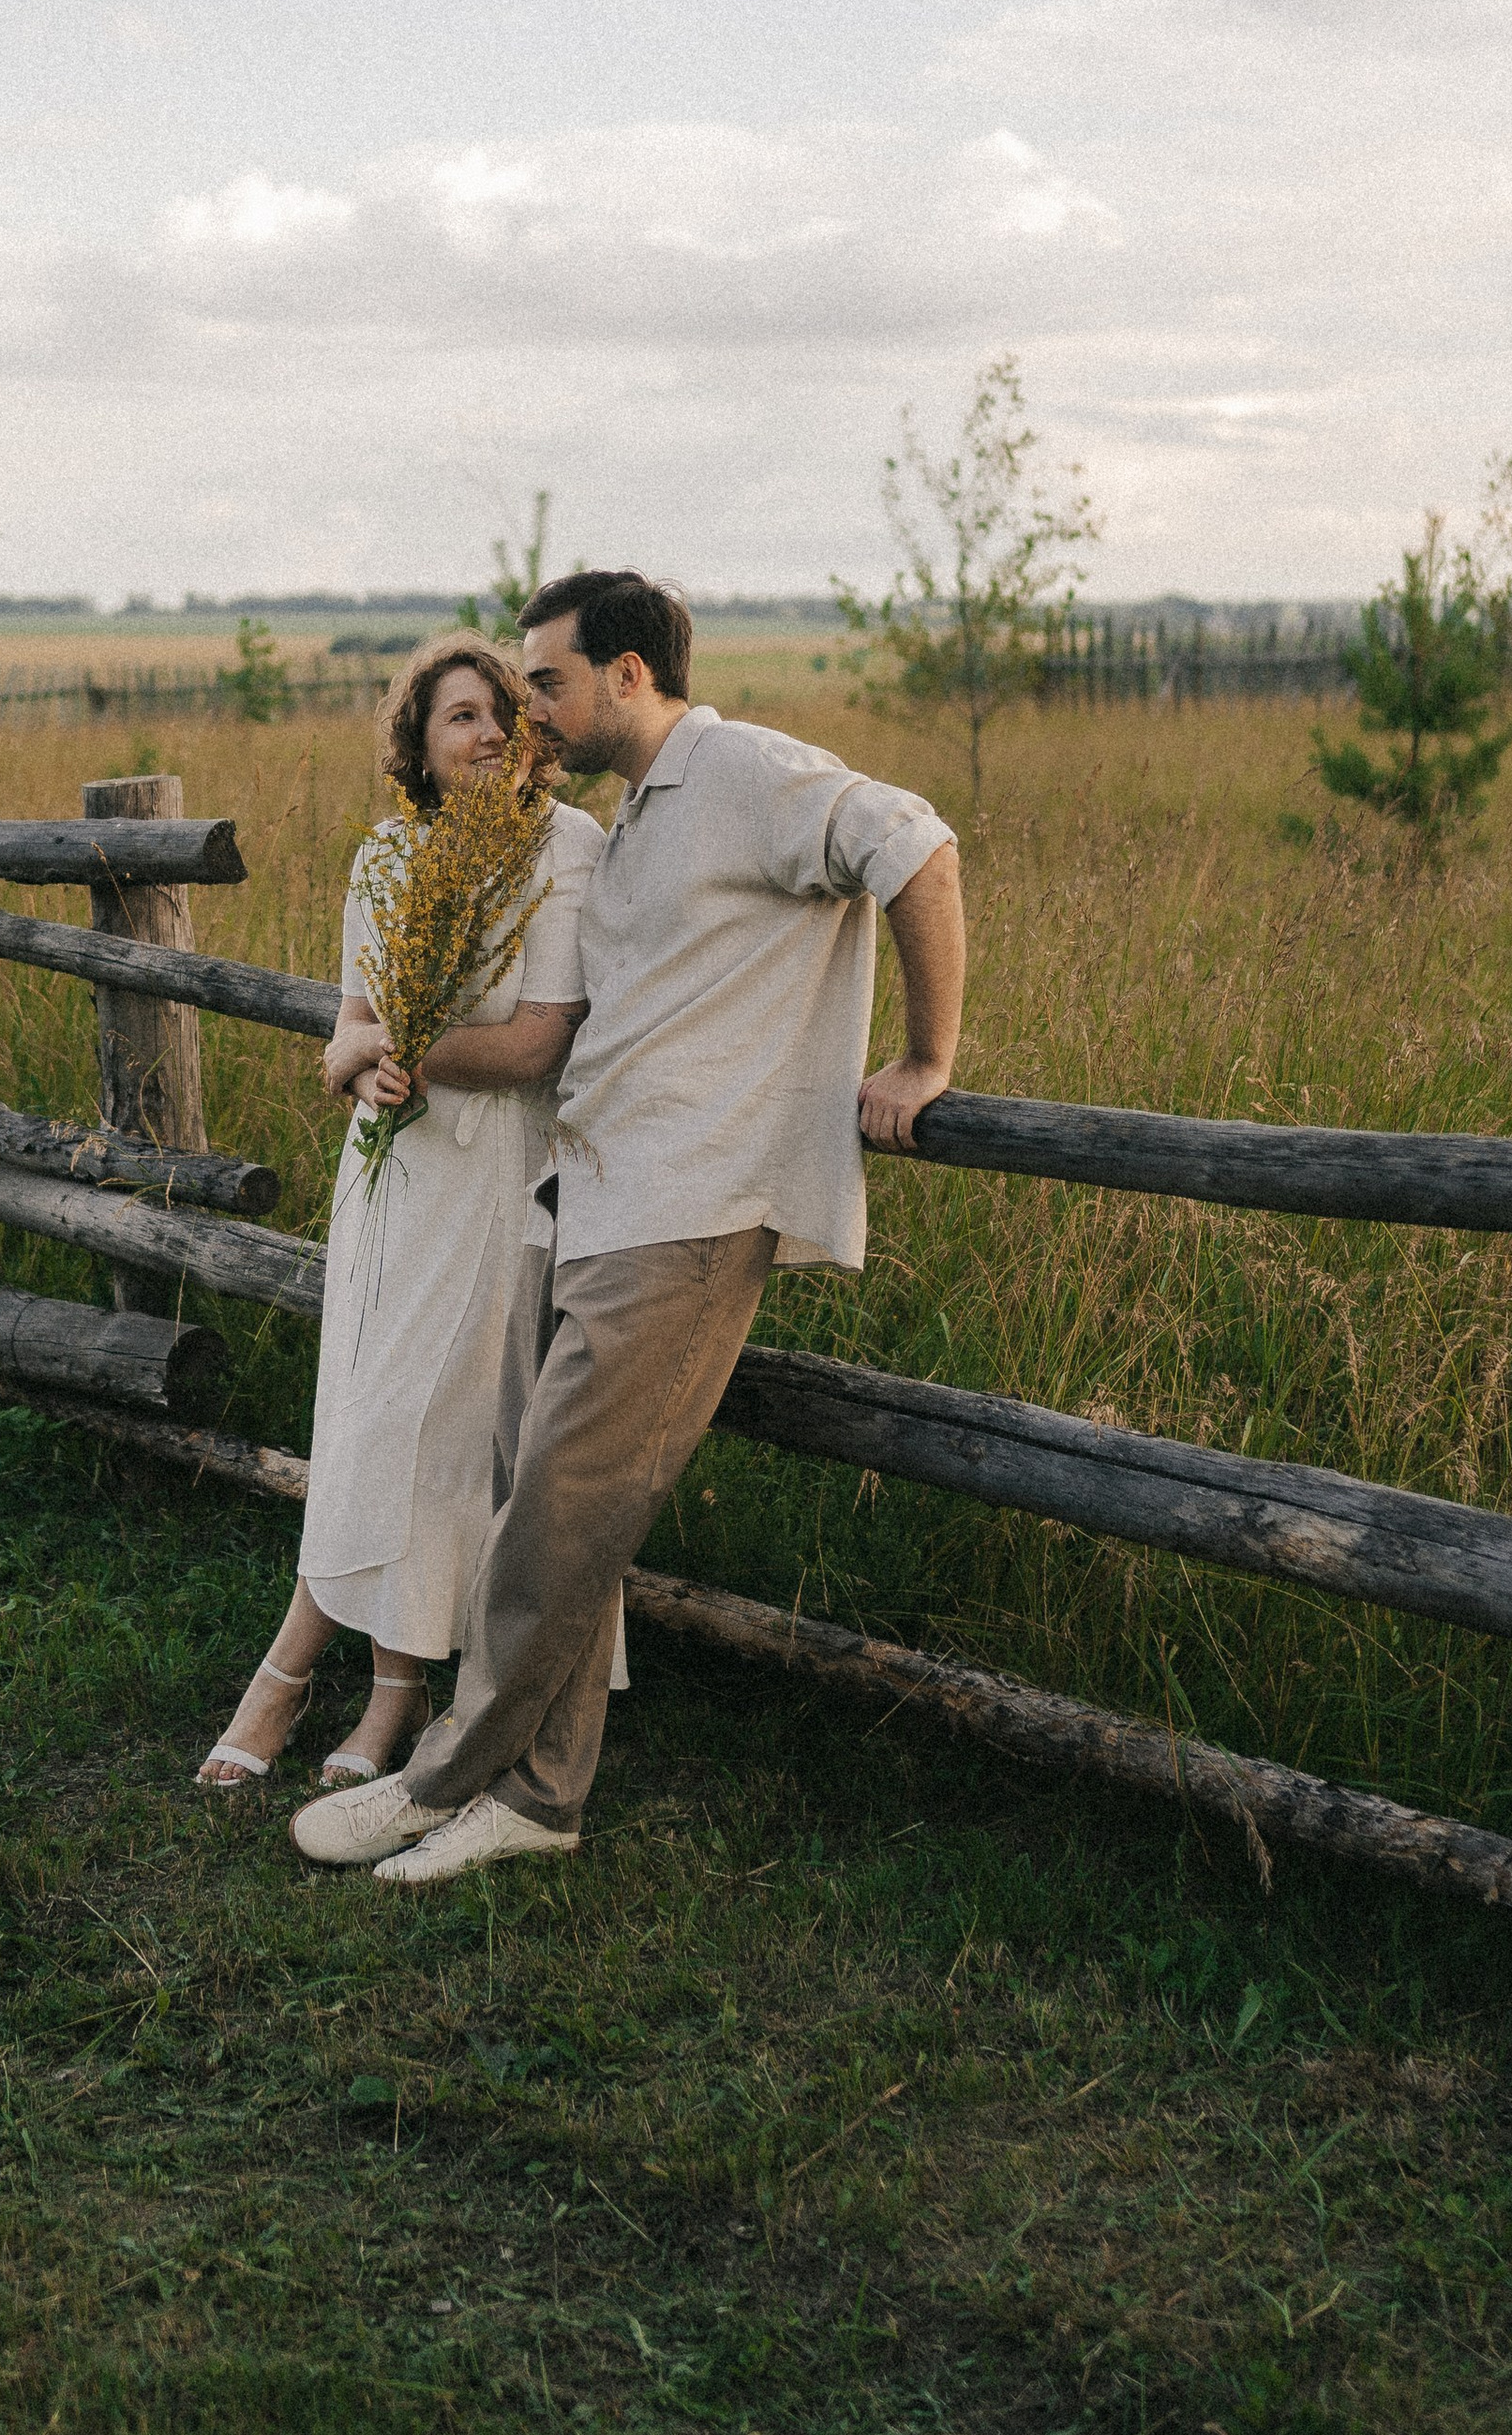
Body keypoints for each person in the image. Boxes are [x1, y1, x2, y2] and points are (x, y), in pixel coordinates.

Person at [290, 568, 965, 1885]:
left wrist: (926, 1059)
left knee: (552, 1508)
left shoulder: (748, 774)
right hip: (589, 1194)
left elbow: (918, 845)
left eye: (546, 681)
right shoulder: (632, 818)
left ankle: (441, 1779)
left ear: (629, 676)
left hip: (690, 1204)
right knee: (566, 1510)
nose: (530, 710)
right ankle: (543, 1800)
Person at [196, 637, 605, 1789]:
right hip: (390, 1175)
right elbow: (344, 1034)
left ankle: (293, 1674)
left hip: (496, 1177)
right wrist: (368, 1062)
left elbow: (538, 1041)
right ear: (418, 749)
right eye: (458, 719)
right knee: (373, 1417)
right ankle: (392, 1686)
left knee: (425, 1428)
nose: (484, 736)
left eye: (500, 715)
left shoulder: (566, 850)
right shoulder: (385, 858)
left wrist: (416, 1053)